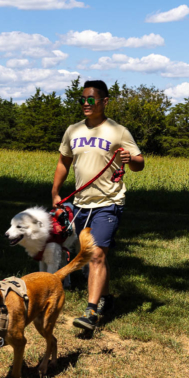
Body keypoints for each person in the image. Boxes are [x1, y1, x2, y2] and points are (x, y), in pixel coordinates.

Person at [51, 80, 144, 331]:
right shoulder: (73, 130)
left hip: (109, 202)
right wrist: (56, 192)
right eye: (82, 99)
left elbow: (139, 163)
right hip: (81, 204)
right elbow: (64, 162)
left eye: (91, 100)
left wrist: (130, 159)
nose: (85, 104)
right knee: (94, 254)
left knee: (96, 255)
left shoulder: (118, 131)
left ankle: (91, 312)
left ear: (104, 102)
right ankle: (106, 298)